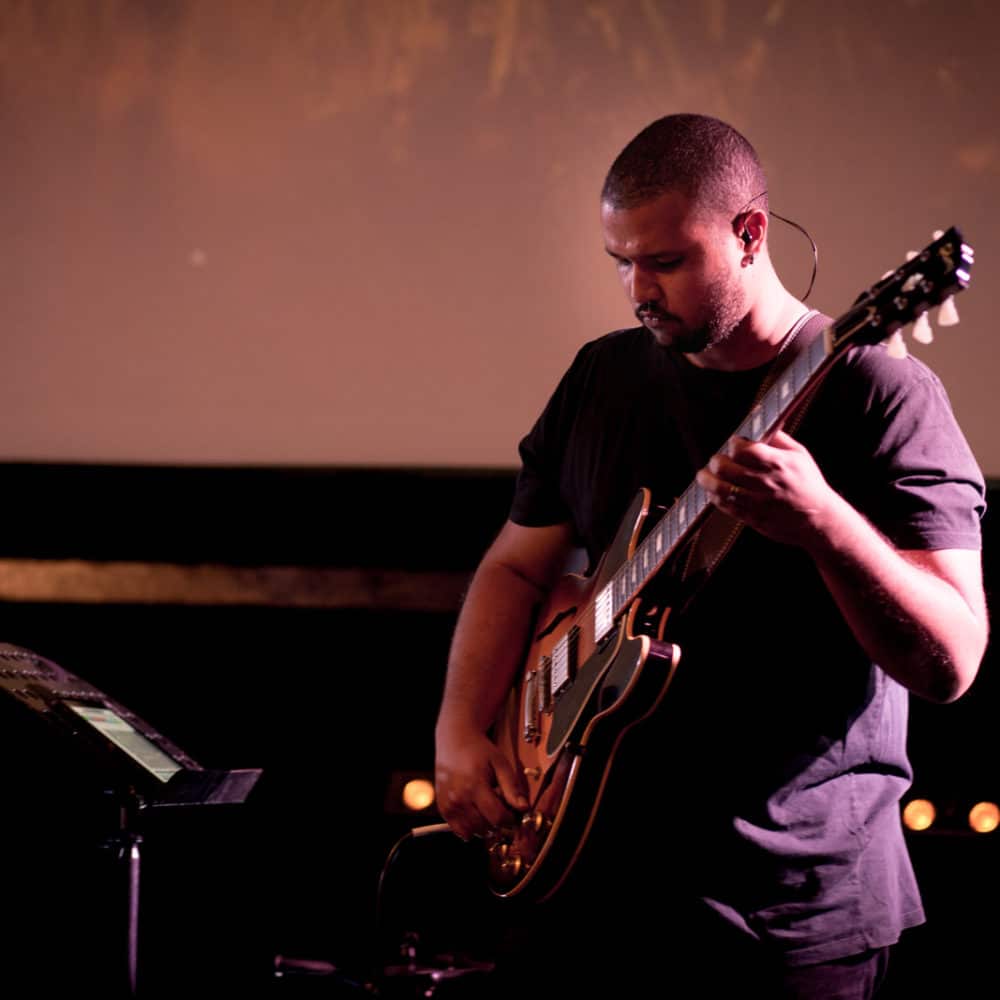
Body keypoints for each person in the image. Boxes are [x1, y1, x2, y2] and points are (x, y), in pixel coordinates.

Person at [432, 113, 988, 998]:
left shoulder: (882, 395)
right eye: (621, 262)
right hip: (589, 888)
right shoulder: (603, 377)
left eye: (665, 261)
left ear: (749, 233)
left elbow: (952, 659)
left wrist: (825, 523)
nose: (638, 290)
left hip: (784, 913)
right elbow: (516, 567)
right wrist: (460, 727)